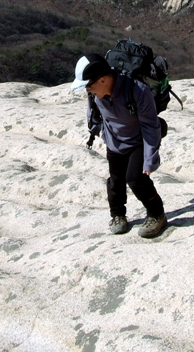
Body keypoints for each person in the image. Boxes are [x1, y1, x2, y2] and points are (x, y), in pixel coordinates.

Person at [72, 53, 168, 238]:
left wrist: (149, 159)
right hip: (114, 141)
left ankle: (157, 214)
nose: (88, 91)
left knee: (135, 178)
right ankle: (117, 215)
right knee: (115, 181)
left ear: (102, 80)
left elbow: (151, 126)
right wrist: (101, 133)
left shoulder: (137, 90)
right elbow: (94, 116)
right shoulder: (96, 93)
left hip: (138, 141)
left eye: (88, 86)